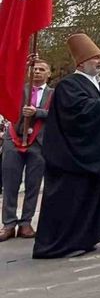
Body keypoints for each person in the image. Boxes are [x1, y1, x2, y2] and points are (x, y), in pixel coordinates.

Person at [33, 34, 100, 259]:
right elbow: (80, 113)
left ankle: (87, 238)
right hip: (73, 157)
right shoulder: (68, 85)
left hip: (99, 154)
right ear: (81, 63)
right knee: (71, 200)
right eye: (95, 57)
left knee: (94, 198)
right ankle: (61, 244)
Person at [1, 58, 52, 242]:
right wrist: (20, 64)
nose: (37, 72)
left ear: (49, 73)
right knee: (10, 184)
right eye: (34, 69)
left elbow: (58, 114)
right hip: (13, 140)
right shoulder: (18, 89)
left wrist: (37, 112)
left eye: (42, 69)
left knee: (33, 185)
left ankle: (25, 223)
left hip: (38, 143)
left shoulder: (54, 94)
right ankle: (8, 224)